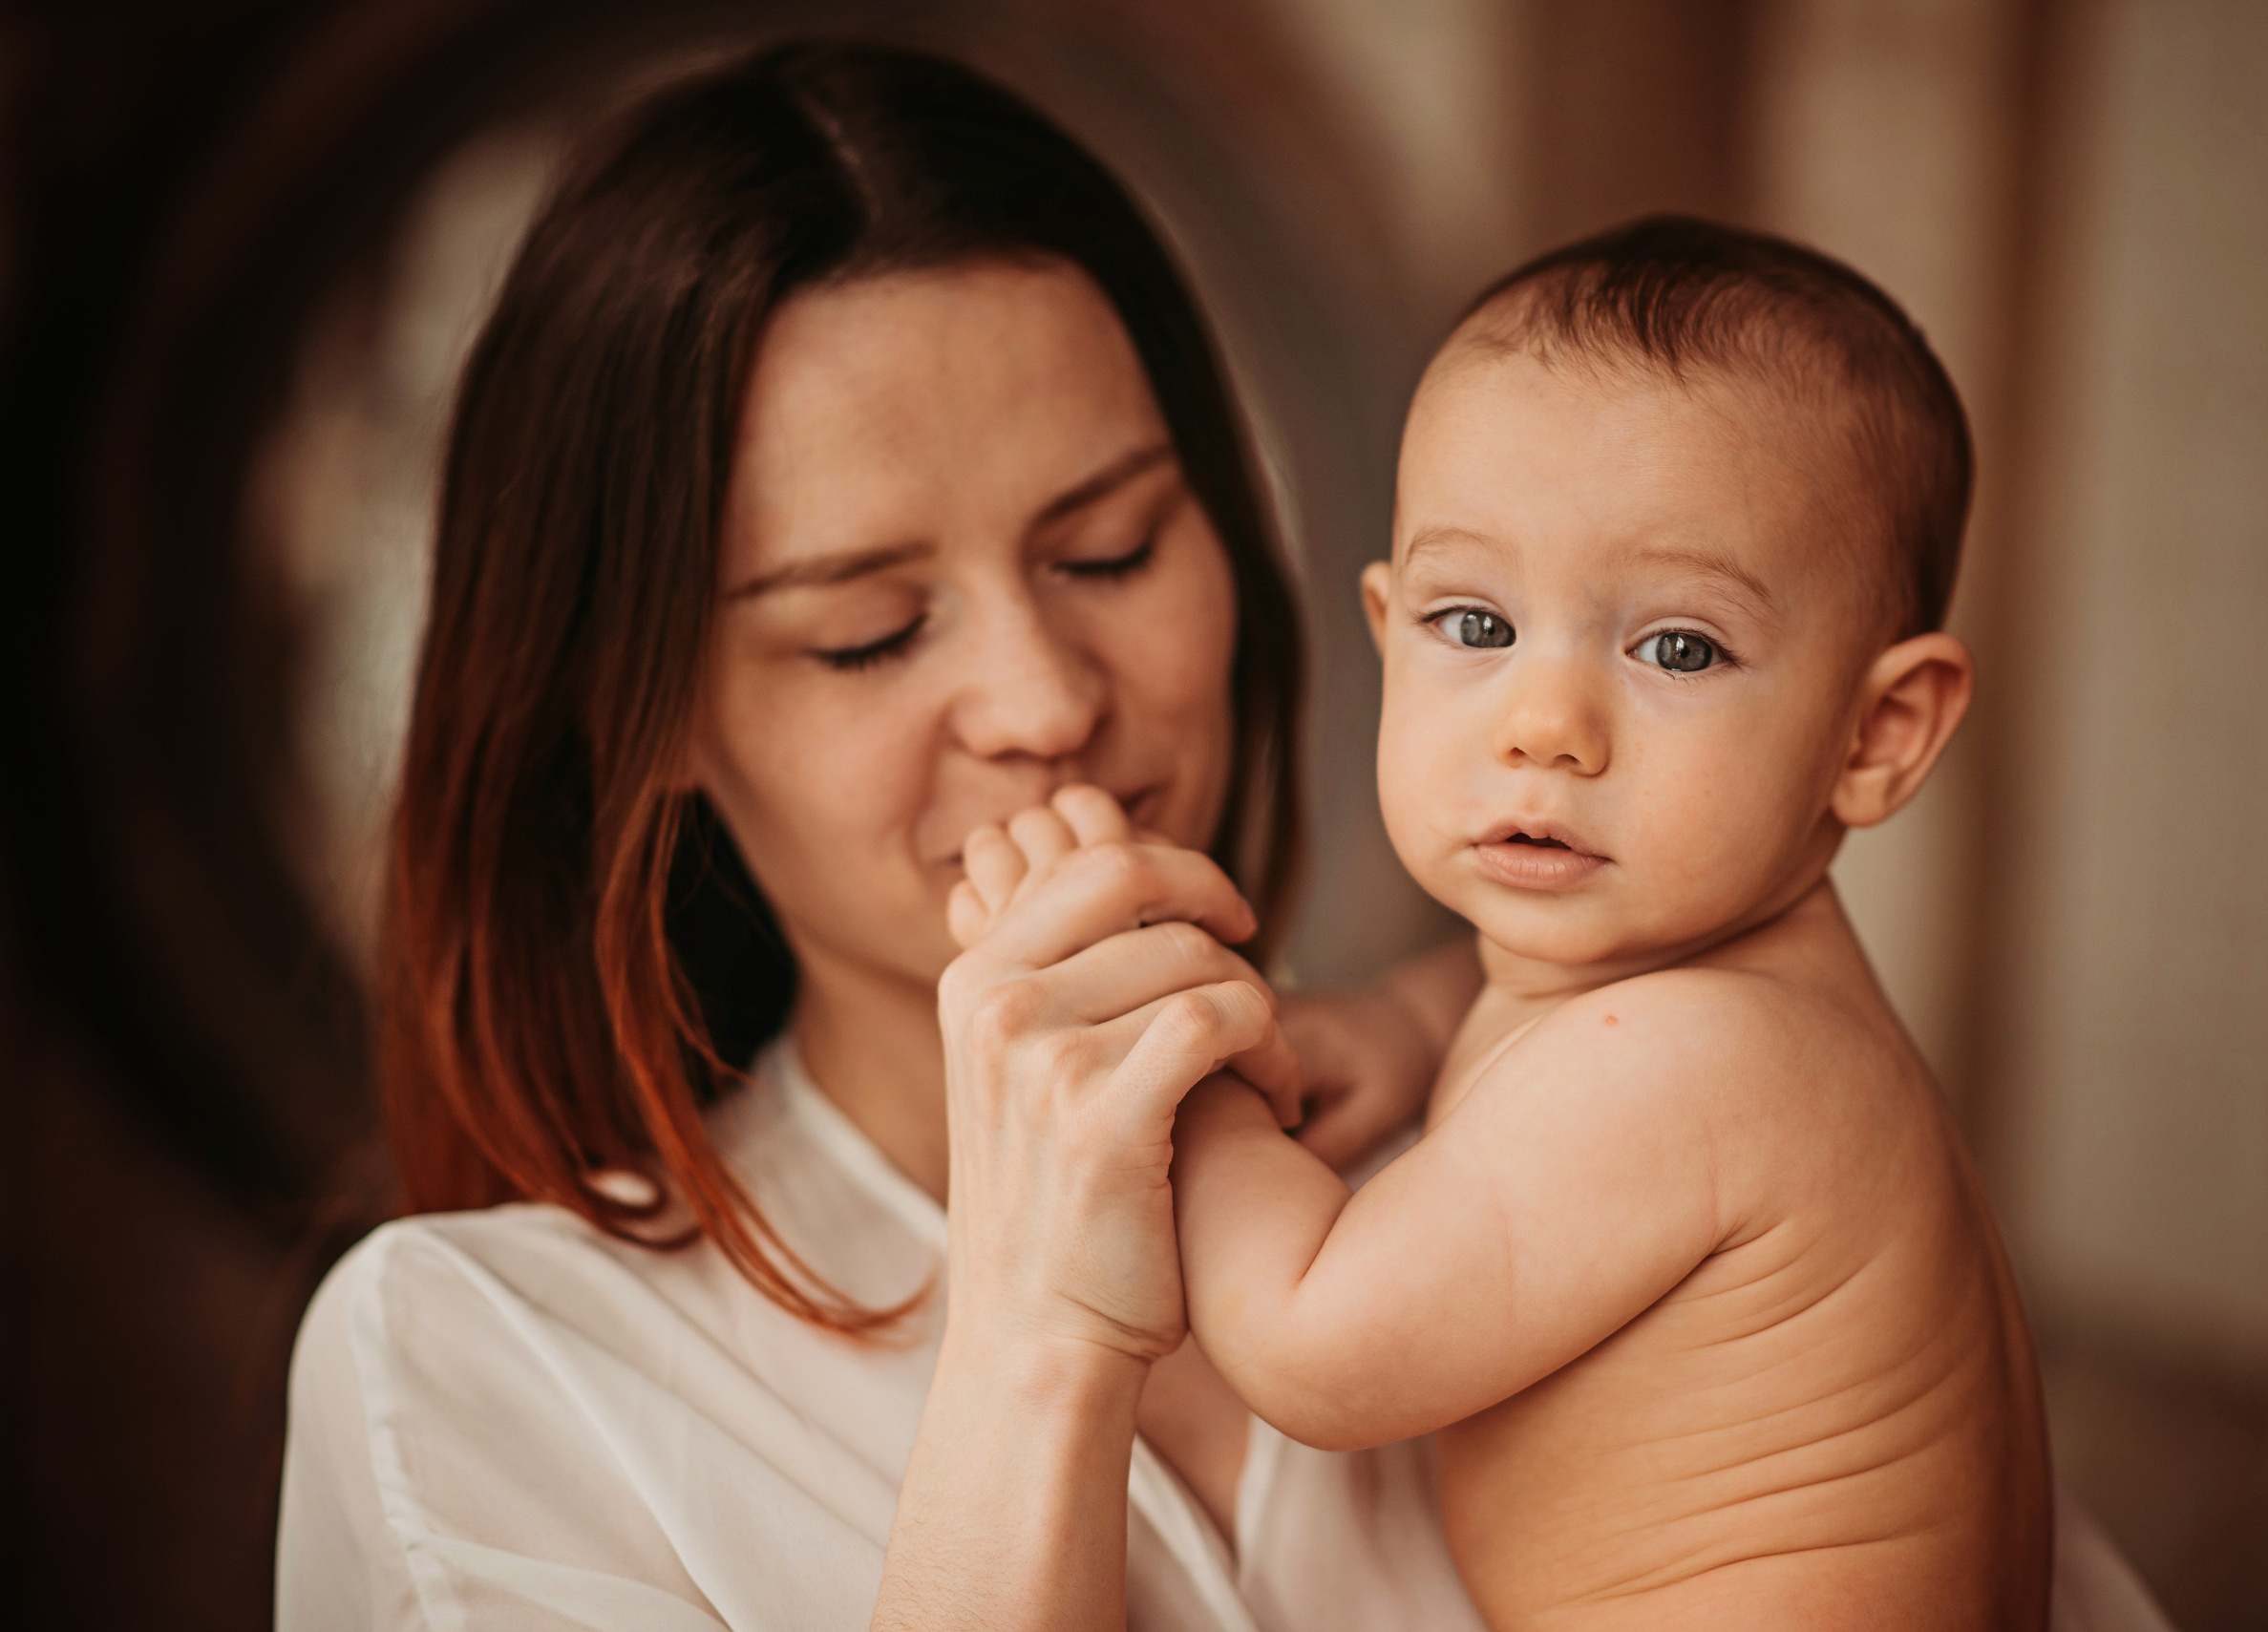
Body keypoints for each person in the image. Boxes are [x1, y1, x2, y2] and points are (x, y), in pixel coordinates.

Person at [274, 40, 1486, 1632]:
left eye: (1111, 549)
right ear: (646, 713)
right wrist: (1038, 1337)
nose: (1043, 702)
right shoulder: (485, 1365)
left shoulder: (1518, 1150)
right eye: (868, 632)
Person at [952, 218, 2060, 1630]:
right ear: (1384, 623)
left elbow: (1312, 1342)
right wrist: (1411, 1028)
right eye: (1472, 625)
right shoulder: (1736, 1007)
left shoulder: (1702, 1063)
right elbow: (1549, 1011)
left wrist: (1175, 1045)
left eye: (1677, 647)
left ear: (1877, 732)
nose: (1544, 725)